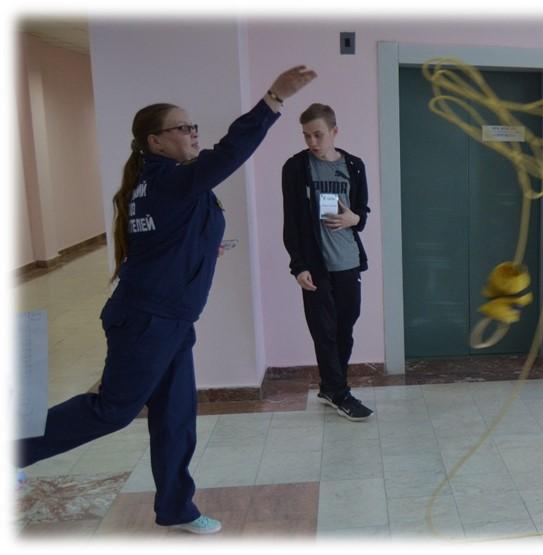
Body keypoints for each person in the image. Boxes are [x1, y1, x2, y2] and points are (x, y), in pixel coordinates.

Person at [16, 66, 317, 534]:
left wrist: (201, 249)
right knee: (112, 411)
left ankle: (176, 507)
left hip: (169, 320)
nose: (193, 133)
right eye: (182, 128)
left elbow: (158, 240)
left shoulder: (157, 182)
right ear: (155, 142)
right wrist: (274, 98)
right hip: (147, 320)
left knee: (175, 416)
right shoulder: (170, 180)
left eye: (192, 126)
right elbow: (231, 151)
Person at [282, 103, 373, 420]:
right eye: (306, 135)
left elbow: (362, 212)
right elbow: (291, 221)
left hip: (348, 262)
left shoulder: (354, 166)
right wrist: (298, 265)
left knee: (345, 328)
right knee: (324, 332)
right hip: (315, 267)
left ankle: (331, 387)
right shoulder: (295, 167)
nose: (312, 142)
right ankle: (340, 393)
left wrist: (354, 218)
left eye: (318, 135)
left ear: (334, 132)